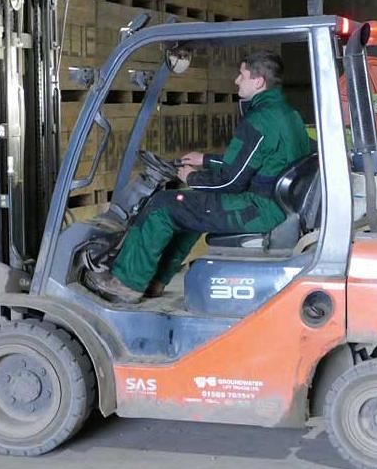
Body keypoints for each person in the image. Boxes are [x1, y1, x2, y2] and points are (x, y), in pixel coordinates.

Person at [85, 51, 315, 303]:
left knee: (162, 205)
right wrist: (204, 160)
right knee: (191, 206)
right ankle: (156, 280)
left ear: (258, 82)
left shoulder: (259, 120)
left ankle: (126, 282)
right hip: (275, 203)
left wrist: (193, 177)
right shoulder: (287, 115)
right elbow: (251, 163)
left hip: (258, 209)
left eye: (242, 75)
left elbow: (232, 180)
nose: (237, 80)